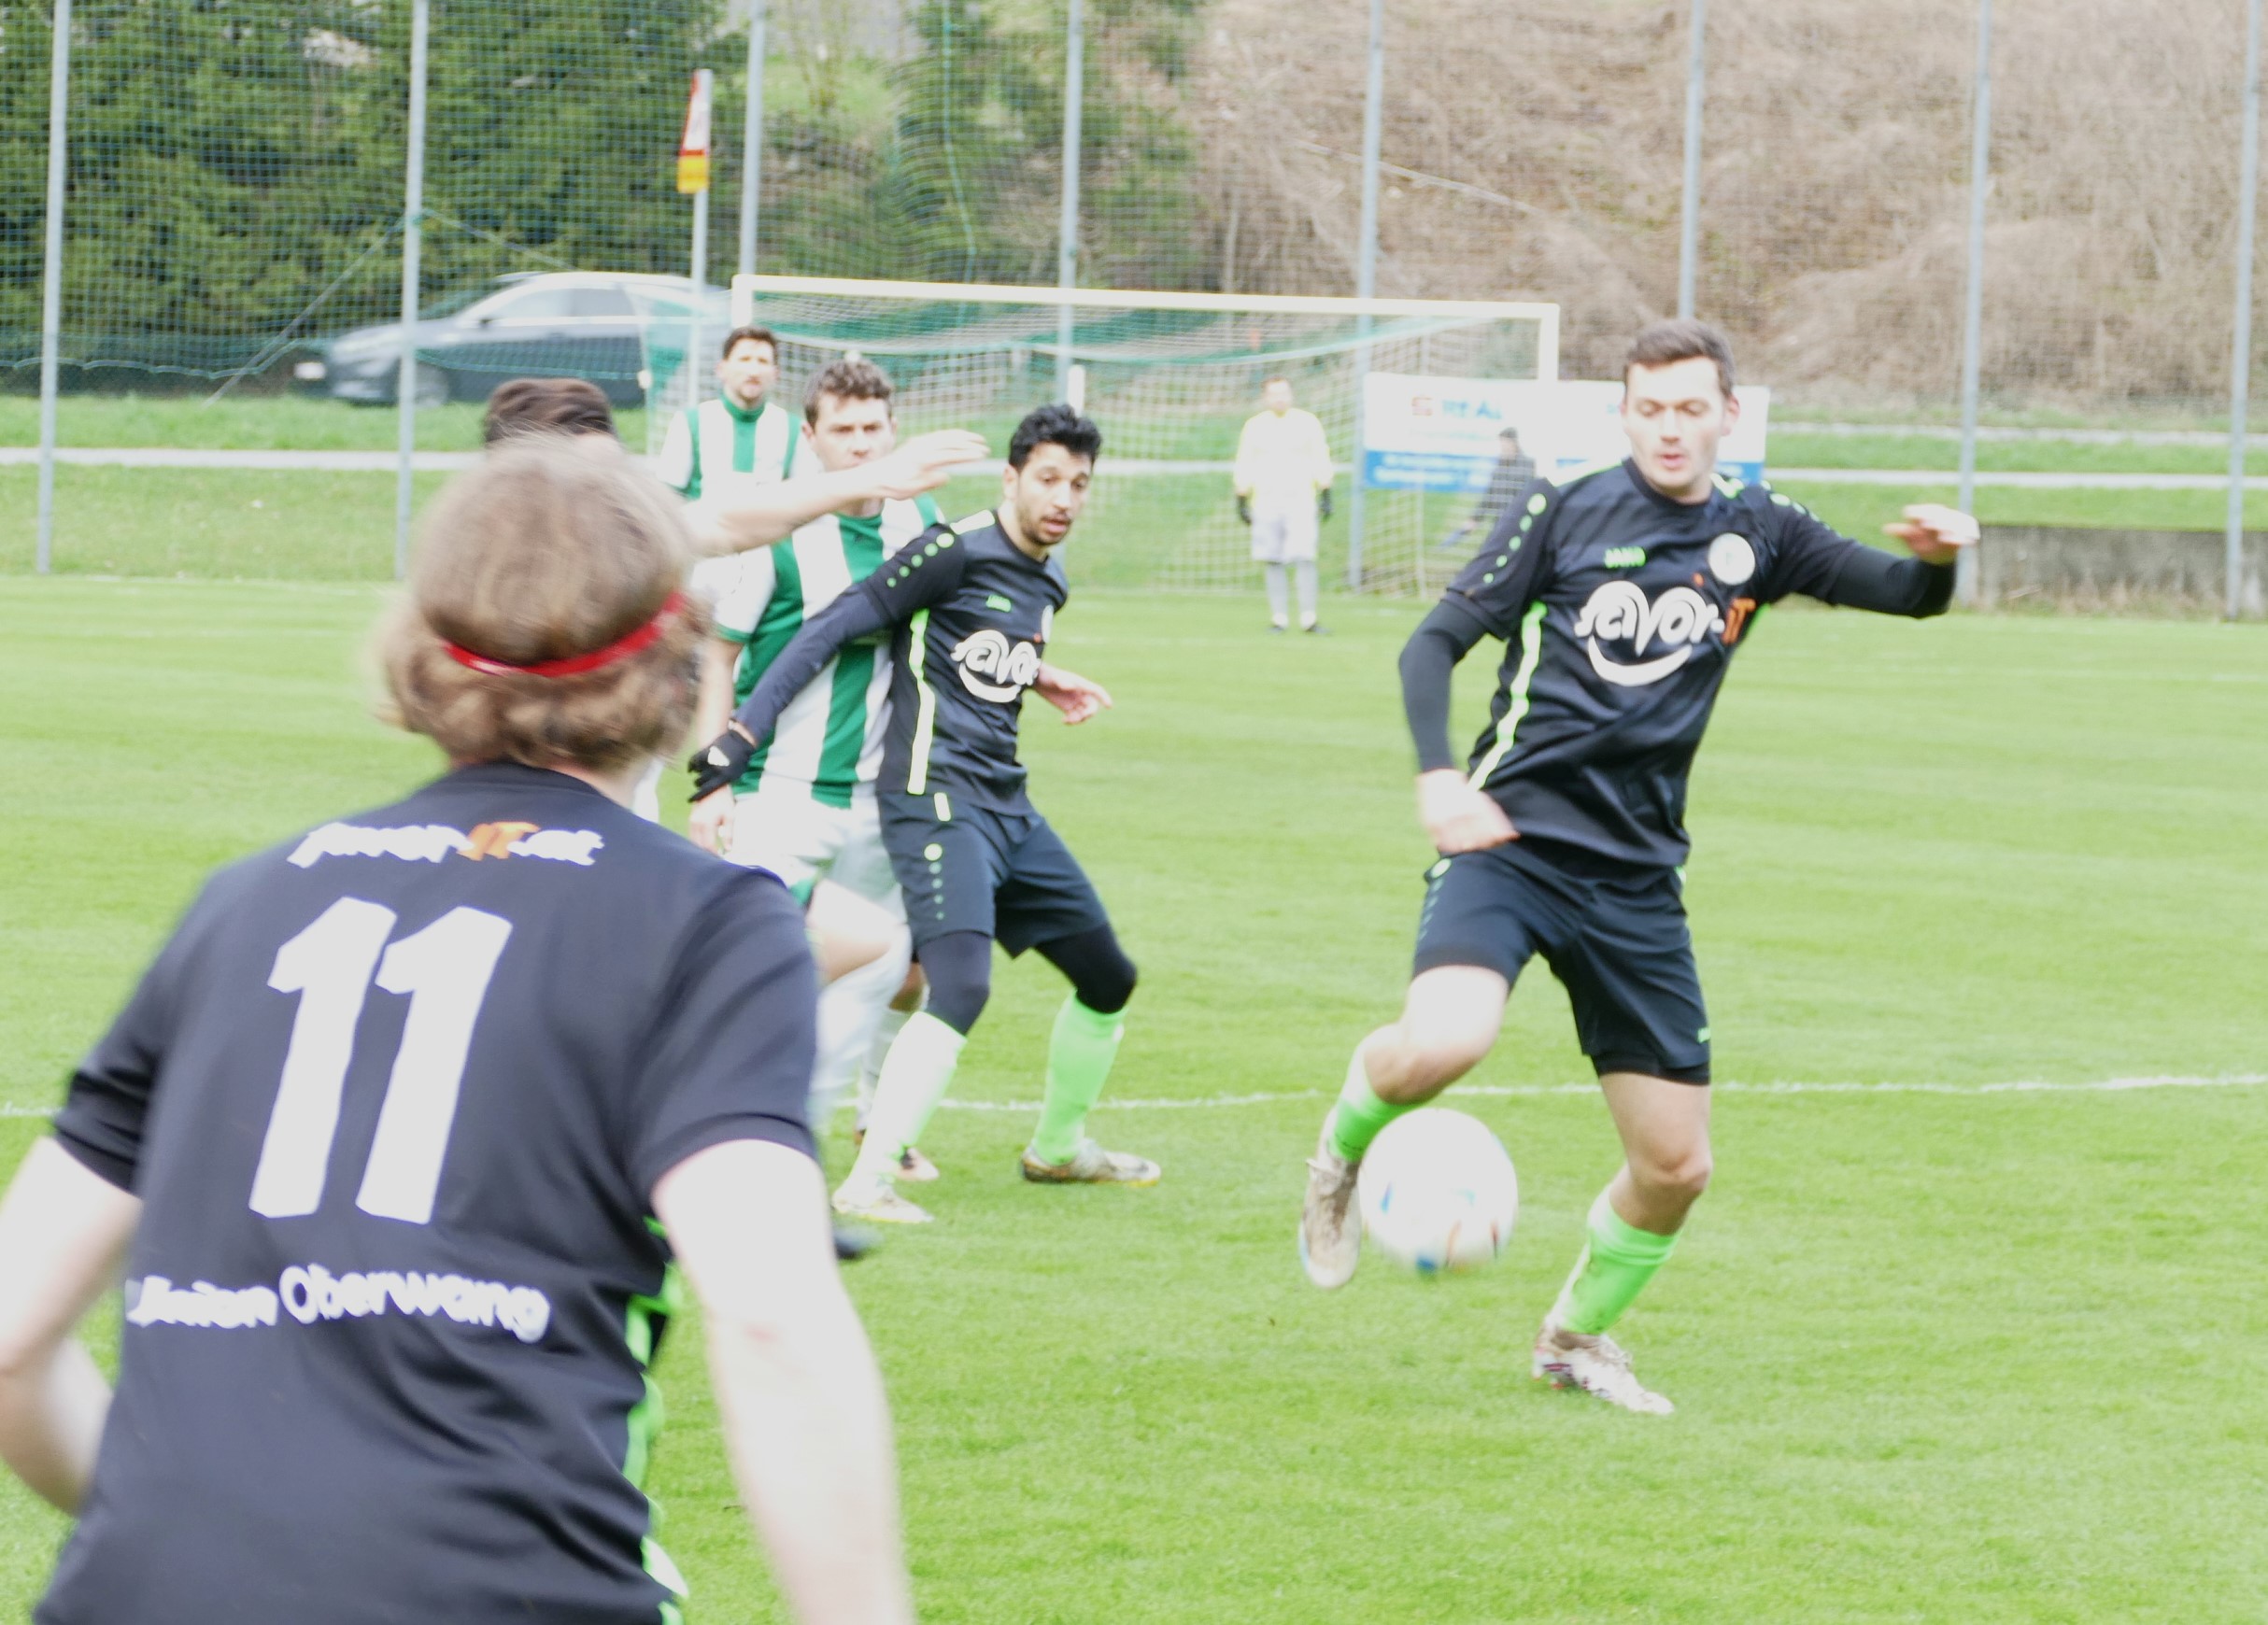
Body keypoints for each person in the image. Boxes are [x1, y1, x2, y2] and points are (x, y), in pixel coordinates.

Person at [0, 438, 915, 1624]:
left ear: (424, 652)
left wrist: (194, 1530)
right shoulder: (704, 918)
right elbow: (771, 1316)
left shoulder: (245, 903)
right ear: (680, 660)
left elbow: (11, 1342)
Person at [1295, 319, 1978, 1415]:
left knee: (1675, 1168)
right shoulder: (1563, 509)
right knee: (1446, 1041)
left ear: (1727, 416)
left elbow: (1905, 593)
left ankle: (1573, 1339)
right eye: (1648, 409)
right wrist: (1438, 777)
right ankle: (1339, 1155)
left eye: (1689, 409)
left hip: (1636, 881)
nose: (1668, 429)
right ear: (1623, 414)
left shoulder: (1761, 528)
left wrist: (1940, 558)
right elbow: (1431, 643)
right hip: (1508, 845)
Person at [693, 404, 1153, 1224]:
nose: (1063, 498)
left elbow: (978, 651)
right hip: (932, 799)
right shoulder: (951, 549)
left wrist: (1040, 677)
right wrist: (741, 735)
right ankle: (867, 1179)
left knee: (1109, 977)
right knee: (958, 984)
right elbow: (832, 627)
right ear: (1011, 478)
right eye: (1048, 478)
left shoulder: (1049, 579)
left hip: (1006, 804)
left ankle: (1057, 1150)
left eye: (1079, 484)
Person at [1232, 375, 1336, 634]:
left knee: (1304, 557)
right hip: (1266, 501)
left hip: (1300, 500)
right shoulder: (1255, 426)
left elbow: (1320, 456)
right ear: (1266, 397)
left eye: (1284, 393)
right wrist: (1241, 496)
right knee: (1272, 558)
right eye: (1274, 394)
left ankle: (1309, 618)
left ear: (1291, 394)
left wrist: (1325, 490)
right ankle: (1279, 618)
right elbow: (1245, 461)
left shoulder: (1307, 422)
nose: (1280, 398)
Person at [655, 324, 801, 503]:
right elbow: (668, 497)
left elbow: (804, 500)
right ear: (721, 369)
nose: (753, 371)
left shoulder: (794, 429)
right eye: (744, 359)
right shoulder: (690, 422)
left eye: (762, 361)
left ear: (775, 374)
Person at [1440, 426, 1536, 553]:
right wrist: (1476, 518)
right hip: (1500, 522)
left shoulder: (1526, 466)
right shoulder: (1501, 465)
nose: (1502, 447)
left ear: (1513, 443)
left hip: (1517, 523)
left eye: (1505, 443)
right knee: (1488, 553)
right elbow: (1491, 494)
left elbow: (1525, 496)